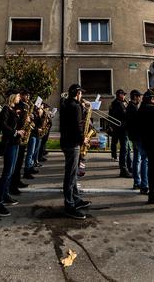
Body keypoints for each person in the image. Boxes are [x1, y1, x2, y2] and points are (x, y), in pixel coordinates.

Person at [60, 84, 92, 220]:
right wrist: (83, 139)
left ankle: (76, 199)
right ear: (77, 93)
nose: (82, 96)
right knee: (70, 175)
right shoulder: (76, 106)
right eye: (81, 93)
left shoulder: (65, 104)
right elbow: (77, 126)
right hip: (73, 143)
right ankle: (69, 206)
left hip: (66, 142)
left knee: (72, 174)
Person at [0, 93, 24, 217]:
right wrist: (16, 132)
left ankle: (5, 195)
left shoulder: (13, 109)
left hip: (15, 143)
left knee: (11, 172)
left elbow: (15, 123)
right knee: (6, 173)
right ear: (12, 97)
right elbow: (3, 125)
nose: (19, 98)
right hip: (9, 143)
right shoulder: (6, 109)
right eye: (18, 96)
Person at [127, 89, 148, 193]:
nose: (140, 98)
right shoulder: (133, 108)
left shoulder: (131, 107)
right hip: (137, 137)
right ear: (135, 97)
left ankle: (137, 182)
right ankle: (142, 183)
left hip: (134, 136)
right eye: (139, 96)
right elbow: (137, 124)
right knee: (143, 159)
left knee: (136, 159)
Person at [109, 89, 132, 177]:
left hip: (121, 128)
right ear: (120, 95)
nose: (125, 97)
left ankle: (129, 167)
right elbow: (124, 114)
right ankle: (123, 169)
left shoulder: (118, 103)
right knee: (124, 149)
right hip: (121, 129)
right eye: (124, 95)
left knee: (127, 148)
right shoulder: (117, 104)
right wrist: (128, 107)